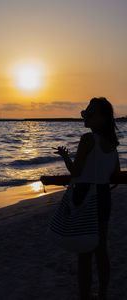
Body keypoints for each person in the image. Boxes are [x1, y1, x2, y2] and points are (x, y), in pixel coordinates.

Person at [54, 97, 121, 300]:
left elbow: (75, 171)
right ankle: (102, 293)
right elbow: (115, 173)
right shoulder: (112, 144)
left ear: (103, 118)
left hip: (84, 195)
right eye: (86, 111)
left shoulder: (88, 139)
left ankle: (85, 295)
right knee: (101, 249)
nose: (87, 115)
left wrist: (65, 157)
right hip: (103, 196)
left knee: (84, 251)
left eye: (91, 112)